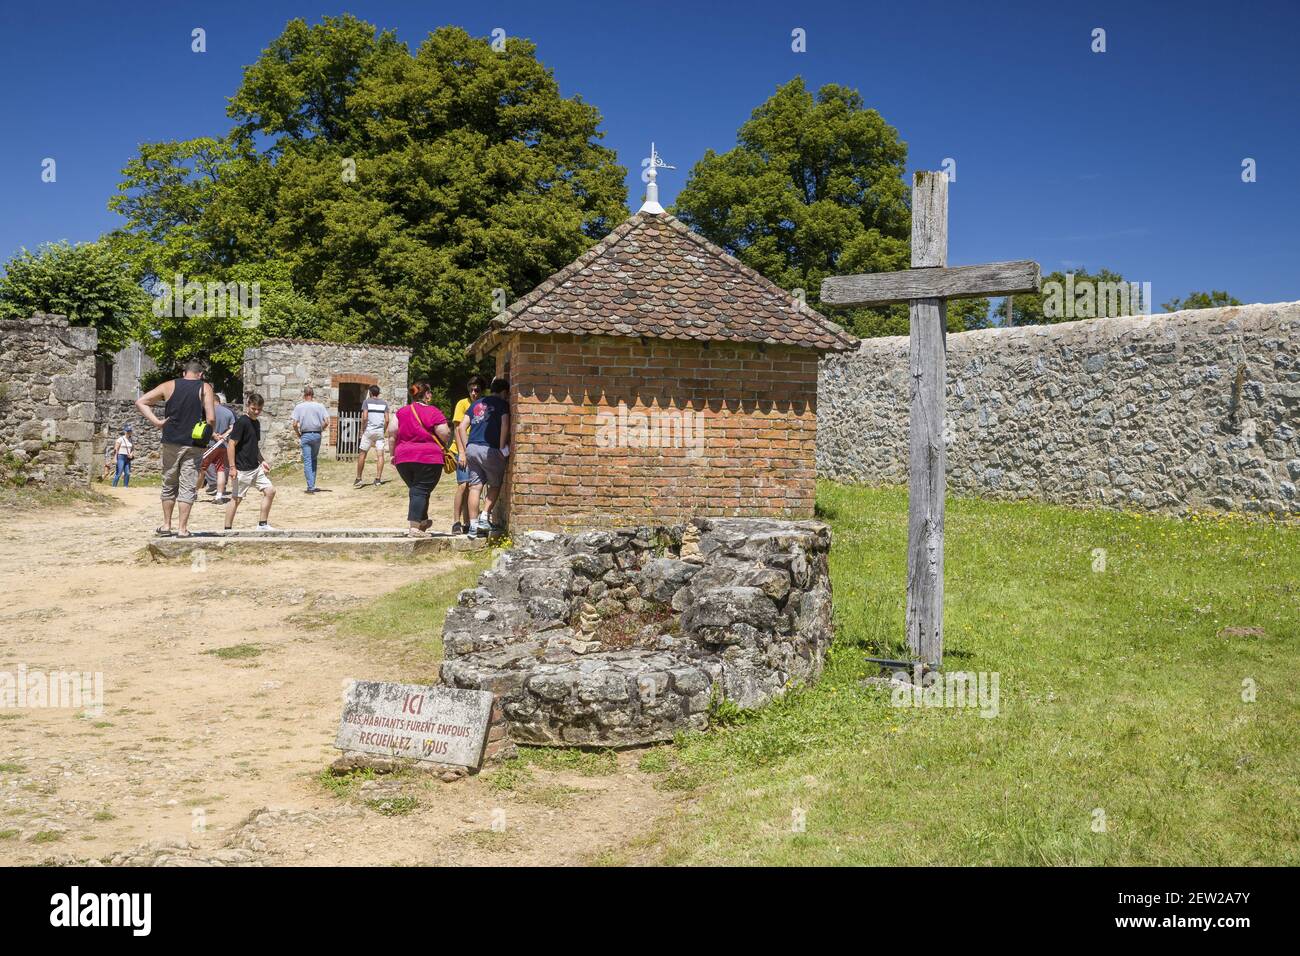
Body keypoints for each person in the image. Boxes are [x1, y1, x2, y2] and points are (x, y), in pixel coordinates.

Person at [135, 358, 216, 538]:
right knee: (188, 485)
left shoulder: (168, 385)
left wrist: (157, 422)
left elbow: (141, 401)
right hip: (193, 443)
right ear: (200, 374)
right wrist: (209, 433)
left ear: (183, 373)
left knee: (169, 482)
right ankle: (182, 529)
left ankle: (166, 525)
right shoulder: (205, 388)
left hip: (170, 440)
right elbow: (210, 418)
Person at [388, 381, 453, 537]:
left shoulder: (401, 412)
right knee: (420, 489)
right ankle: (415, 528)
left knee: (417, 489)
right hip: (428, 457)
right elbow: (444, 433)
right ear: (427, 395)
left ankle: (422, 521)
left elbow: (391, 433)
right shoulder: (433, 412)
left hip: (403, 458)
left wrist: (392, 454)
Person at [456, 376, 510, 538]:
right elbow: (505, 424)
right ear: (504, 392)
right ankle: (484, 516)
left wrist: (467, 447)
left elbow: (461, 427)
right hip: (490, 449)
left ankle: (472, 525)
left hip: (472, 448)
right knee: (495, 484)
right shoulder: (502, 404)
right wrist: (501, 447)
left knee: (475, 487)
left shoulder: (477, 403)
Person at [224, 393, 276, 531]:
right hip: (242, 469)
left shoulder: (256, 423)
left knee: (270, 491)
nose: (256, 411)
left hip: (255, 467)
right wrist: (232, 467)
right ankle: (227, 529)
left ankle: (262, 524)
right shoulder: (242, 422)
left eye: (259, 409)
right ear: (248, 405)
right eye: (254, 408)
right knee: (236, 499)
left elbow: (254, 446)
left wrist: (262, 461)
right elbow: (231, 444)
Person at [449, 376, 484, 533]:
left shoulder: (483, 405)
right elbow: (457, 428)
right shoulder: (462, 404)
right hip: (461, 450)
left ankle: (468, 522)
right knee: (463, 485)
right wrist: (462, 452)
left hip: (475, 450)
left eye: (476, 390)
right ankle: (456, 521)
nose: (473, 393)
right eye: (471, 390)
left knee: (472, 487)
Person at [291, 386, 330, 493]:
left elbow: (294, 424)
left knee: (307, 461)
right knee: (314, 459)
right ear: (313, 395)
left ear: (304, 395)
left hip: (305, 434)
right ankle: (312, 484)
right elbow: (326, 421)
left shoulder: (299, 407)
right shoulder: (319, 406)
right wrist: (321, 429)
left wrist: (298, 434)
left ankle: (310, 486)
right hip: (317, 434)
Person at [354, 385, 390, 488]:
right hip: (379, 432)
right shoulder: (384, 403)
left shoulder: (367, 402)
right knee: (380, 455)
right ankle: (378, 479)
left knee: (362, 454)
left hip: (369, 431)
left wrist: (362, 429)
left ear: (370, 393)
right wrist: (383, 430)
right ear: (378, 393)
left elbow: (365, 417)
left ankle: (359, 478)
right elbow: (387, 420)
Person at [205, 391, 237, 503]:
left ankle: (193, 492)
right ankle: (219, 494)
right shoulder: (228, 412)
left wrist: (214, 435)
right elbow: (233, 427)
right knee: (221, 469)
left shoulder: (207, 412)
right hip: (223, 445)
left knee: (202, 469)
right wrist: (223, 435)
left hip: (209, 444)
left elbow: (205, 425)